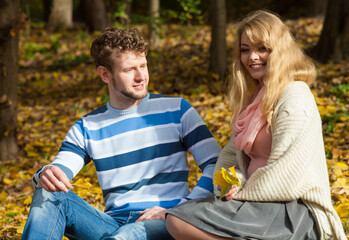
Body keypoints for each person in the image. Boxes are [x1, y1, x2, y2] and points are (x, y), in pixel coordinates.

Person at [22, 27, 221, 240]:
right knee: (49, 193)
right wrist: (45, 174)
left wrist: (181, 210)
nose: (140, 76)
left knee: (125, 236)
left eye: (143, 66)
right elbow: (59, 171)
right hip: (110, 224)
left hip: (165, 221)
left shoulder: (177, 110)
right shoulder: (87, 127)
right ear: (105, 74)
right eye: (128, 70)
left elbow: (217, 165)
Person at [166, 10, 347, 240]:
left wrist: (241, 193)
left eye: (262, 48)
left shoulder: (295, 95)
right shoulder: (255, 99)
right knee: (178, 218)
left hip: (294, 211)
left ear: (280, 51)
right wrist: (228, 186)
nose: (252, 57)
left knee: (179, 221)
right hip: (255, 204)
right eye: (245, 49)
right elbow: (231, 156)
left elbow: (286, 177)